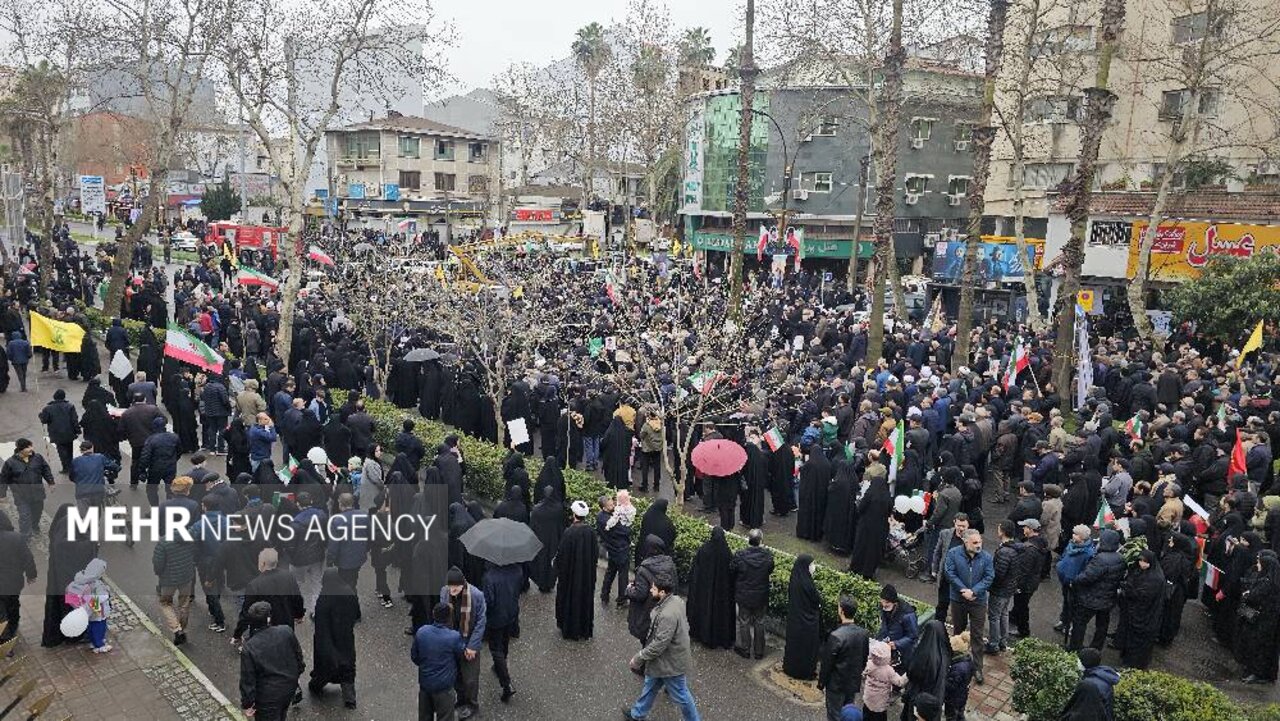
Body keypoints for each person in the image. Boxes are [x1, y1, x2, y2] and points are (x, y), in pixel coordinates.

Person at [622, 577, 702, 721]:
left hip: (671, 663)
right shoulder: (676, 601)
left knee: (682, 694)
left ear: (662, 592)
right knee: (651, 684)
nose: (650, 591)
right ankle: (637, 714)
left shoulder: (667, 615)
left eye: (653, 589)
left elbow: (659, 644)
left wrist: (638, 657)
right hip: (665, 660)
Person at [239, 601, 305, 721]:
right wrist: (297, 674)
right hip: (289, 687)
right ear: (268, 618)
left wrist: (247, 704)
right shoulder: (286, 631)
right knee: (282, 714)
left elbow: (248, 679)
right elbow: (298, 657)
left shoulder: (249, 647)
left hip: (267, 698)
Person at [943, 529, 992, 683]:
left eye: (980, 542)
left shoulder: (987, 557)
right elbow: (949, 572)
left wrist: (974, 591)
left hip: (978, 601)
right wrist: (963, 590)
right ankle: (955, 660)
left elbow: (989, 576)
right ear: (965, 542)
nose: (979, 545)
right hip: (958, 599)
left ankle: (977, 668)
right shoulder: (953, 553)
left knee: (977, 635)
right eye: (975, 542)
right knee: (958, 631)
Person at [439, 567, 486, 719]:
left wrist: (472, 646)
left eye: (456, 587)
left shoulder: (476, 595)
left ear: (463, 584)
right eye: (450, 586)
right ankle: (461, 701)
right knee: (457, 676)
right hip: (453, 642)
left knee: (471, 678)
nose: (452, 590)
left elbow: (480, 622)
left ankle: (472, 705)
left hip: (469, 641)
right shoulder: (444, 592)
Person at [308, 569, 360, 709]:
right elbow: (357, 613)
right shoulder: (349, 592)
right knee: (348, 666)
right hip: (346, 637)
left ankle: (317, 685)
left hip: (327, 638)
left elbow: (320, 620)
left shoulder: (325, 597)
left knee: (325, 665)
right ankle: (349, 697)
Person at [1067, 528, 1124, 651]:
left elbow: (1087, 577)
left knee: (1080, 623)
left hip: (1091, 598)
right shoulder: (1120, 558)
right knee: (1102, 626)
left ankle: (1075, 648)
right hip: (1108, 599)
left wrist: (1075, 580)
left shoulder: (1100, 559)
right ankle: (1096, 649)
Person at [234, 548, 305, 644]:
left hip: (263, 631)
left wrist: (237, 634)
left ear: (262, 563)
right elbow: (297, 599)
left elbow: (246, 614)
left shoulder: (254, 585)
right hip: (286, 626)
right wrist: (299, 615)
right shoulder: (289, 577)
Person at [818, 595, 871, 721]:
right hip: (852, 683)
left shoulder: (836, 636)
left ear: (841, 611)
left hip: (836, 684)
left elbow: (827, 664)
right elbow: (864, 658)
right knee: (848, 710)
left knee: (834, 714)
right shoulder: (863, 633)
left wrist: (821, 683)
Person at [412, 602, 467, 721]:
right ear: (449, 618)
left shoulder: (422, 632)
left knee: (424, 717)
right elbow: (461, 655)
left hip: (425, 684)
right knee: (446, 717)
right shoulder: (453, 637)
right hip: (444, 687)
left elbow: (414, 657)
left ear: (433, 614)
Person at [554, 500, 598, 640]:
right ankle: (583, 629)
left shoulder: (569, 532)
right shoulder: (591, 532)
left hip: (570, 577)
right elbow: (595, 555)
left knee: (569, 600)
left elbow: (562, 554)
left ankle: (569, 628)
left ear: (574, 514)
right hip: (586, 576)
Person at [686, 526, 735, 650]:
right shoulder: (726, 552)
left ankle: (702, 634)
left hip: (704, 590)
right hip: (721, 593)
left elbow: (696, 570)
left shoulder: (704, 549)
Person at [481, 561, 522, 704]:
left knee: (495, 648)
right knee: (505, 641)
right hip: (511, 613)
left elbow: (488, 601)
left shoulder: (489, 577)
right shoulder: (517, 570)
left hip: (495, 618)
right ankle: (500, 665)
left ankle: (506, 684)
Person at [1237, 549, 1280, 683]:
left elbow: (1254, 597)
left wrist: (1248, 594)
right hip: (1263, 618)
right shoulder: (1269, 579)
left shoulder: (1268, 582)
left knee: (1258, 646)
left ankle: (1257, 673)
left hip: (1262, 620)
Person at [1116, 548, 1164, 669]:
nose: (1142, 564)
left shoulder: (1155, 578)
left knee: (1138, 643)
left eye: (1145, 562)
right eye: (1140, 561)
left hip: (1146, 615)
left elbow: (1143, 595)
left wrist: (1128, 590)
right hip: (1136, 612)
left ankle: (1133, 666)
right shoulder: (1142, 571)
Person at [730, 528, 774, 659]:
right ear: (760, 541)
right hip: (761, 595)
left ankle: (745, 649)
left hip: (744, 594)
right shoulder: (767, 556)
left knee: (744, 621)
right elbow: (770, 569)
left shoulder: (740, 555)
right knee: (760, 622)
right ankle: (759, 651)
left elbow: (732, 569)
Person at [0, 439, 55, 539]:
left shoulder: (38, 458)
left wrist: (51, 482)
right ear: (21, 449)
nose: (31, 449)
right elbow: (3, 479)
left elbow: (45, 469)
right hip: (21, 495)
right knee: (25, 516)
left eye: (31, 446)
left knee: (37, 512)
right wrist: (2, 495)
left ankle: (34, 525)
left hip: (37, 493)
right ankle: (25, 537)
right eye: (28, 447)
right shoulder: (10, 463)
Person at [153, 522, 197, 646]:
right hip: (186, 577)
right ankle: (183, 629)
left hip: (168, 580)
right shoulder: (190, 539)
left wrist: (159, 573)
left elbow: (158, 563)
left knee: (165, 603)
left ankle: (176, 629)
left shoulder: (163, 543)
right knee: (184, 604)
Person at [901, 620, 949, 721]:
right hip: (934, 695)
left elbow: (912, 673)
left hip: (919, 696)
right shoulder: (944, 651)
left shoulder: (923, 654)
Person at [783, 554, 821, 680]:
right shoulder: (807, 583)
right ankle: (805, 672)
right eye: (811, 565)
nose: (813, 567)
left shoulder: (795, 578)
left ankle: (790, 668)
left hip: (795, 620)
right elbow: (816, 600)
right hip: (807, 623)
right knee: (806, 648)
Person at [0, 514, 36, 644]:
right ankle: (13, 627)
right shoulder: (16, 538)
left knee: (1, 611)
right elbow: (28, 558)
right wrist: (31, 575)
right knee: (13, 604)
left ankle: (5, 639)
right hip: (13, 582)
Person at [984, 520, 1019, 655]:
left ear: (1003, 532)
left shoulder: (1004, 552)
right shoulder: (1015, 548)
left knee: (994, 617)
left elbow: (998, 574)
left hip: (1000, 590)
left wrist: (990, 585)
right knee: (1004, 614)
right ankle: (1003, 641)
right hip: (1009, 589)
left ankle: (993, 644)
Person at [1054, 525, 1095, 635]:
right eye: (1074, 533)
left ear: (1082, 537)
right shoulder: (1071, 544)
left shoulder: (1088, 553)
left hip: (1075, 584)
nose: (1073, 535)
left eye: (1076, 534)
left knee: (1074, 605)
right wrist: (1060, 565)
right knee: (1066, 602)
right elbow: (1064, 556)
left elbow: (1086, 570)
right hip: (1065, 581)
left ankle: (1071, 625)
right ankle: (1064, 620)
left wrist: (1076, 581)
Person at [1057, 647, 1119, 721]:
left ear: (1084, 662)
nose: (1077, 662)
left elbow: (1083, 711)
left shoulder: (1089, 685)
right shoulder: (1102, 677)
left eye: (1079, 660)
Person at [65, 557, 112, 653]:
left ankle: (94, 642)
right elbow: (101, 597)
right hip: (96, 608)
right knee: (99, 626)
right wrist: (106, 592)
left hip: (88, 608)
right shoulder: (94, 582)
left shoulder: (80, 578)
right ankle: (99, 645)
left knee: (91, 626)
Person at [598, 491, 634, 606]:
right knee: (623, 575)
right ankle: (622, 599)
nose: (613, 506)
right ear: (604, 508)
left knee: (610, 573)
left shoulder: (600, 517)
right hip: (621, 549)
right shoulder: (609, 521)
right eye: (610, 505)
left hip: (612, 549)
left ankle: (604, 595)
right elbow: (626, 531)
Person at [528, 486, 564, 593]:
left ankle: (541, 582)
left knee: (541, 561)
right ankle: (549, 583)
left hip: (540, 539)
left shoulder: (537, 509)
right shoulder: (558, 508)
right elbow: (561, 525)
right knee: (551, 561)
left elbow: (532, 526)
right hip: (553, 540)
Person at [139, 416, 180, 508]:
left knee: (151, 489)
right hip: (170, 467)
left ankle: (155, 508)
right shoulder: (174, 437)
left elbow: (145, 456)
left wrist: (142, 470)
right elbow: (179, 451)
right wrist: (173, 460)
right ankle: (170, 508)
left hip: (155, 468)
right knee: (170, 489)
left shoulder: (151, 440)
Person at [861, 640, 906, 721]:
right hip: (880, 704)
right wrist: (907, 674)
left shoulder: (869, 663)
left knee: (866, 716)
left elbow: (863, 673)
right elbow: (900, 682)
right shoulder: (889, 671)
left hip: (868, 698)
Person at [876, 584, 919, 668]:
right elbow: (884, 626)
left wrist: (897, 644)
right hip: (889, 647)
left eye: (887, 604)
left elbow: (913, 636)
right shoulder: (884, 607)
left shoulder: (907, 615)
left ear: (894, 602)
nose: (884, 606)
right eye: (882, 602)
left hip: (903, 652)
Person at [71, 440, 119, 513]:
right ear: (92, 448)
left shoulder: (75, 461)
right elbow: (113, 466)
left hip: (82, 492)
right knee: (96, 512)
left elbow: (72, 477)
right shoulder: (100, 457)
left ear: (81, 450)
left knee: (85, 516)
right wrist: (117, 468)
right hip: (97, 491)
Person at [38, 388, 79, 474]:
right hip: (69, 432)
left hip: (56, 433)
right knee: (69, 449)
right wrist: (77, 430)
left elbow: (44, 420)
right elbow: (74, 420)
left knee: (61, 451)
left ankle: (65, 467)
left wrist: (41, 416)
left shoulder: (48, 408)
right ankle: (70, 466)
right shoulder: (70, 406)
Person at [943, 631, 975, 721]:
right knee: (959, 712)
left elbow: (950, 686)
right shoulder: (968, 659)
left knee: (951, 716)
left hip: (953, 699)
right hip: (962, 695)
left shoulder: (957, 669)